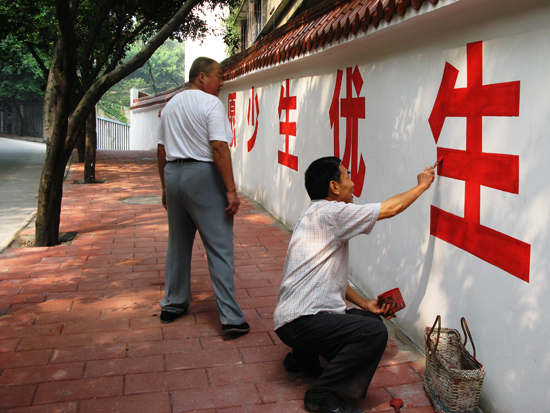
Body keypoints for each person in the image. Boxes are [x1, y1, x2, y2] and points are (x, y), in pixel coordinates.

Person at [274, 156, 435, 413]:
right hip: (303, 322)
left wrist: (365, 303)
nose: (352, 182)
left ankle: (302, 358)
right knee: (373, 333)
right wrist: (421, 186)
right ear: (334, 187)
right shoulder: (333, 212)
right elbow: (389, 209)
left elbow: (330, 277)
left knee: (370, 321)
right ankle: (322, 394)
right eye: (347, 176)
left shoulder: (313, 215)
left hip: (292, 320)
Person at [156, 57, 249, 334]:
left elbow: (160, 150)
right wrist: (231, 190)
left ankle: (172, 304)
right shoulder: (211, 104)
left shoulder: (171, 105)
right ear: (201, 77)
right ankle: (231, 319)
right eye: (218, 77)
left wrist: (164, 186)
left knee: (178, 244)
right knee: (220, 246)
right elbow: (219, 147)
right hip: (202, 175)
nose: (222, 83)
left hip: (173, 174)